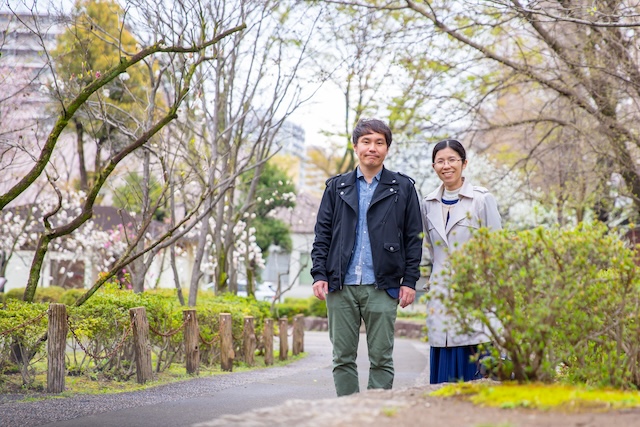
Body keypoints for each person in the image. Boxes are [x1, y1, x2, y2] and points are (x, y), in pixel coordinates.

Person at [310, 118, 423, 397]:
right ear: (355, 146)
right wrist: (319, 274)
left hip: (382, 285)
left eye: (379, 142)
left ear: (387, 148)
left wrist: (409, 281)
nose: (372, 148)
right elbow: (322, 234)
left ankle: (374, 415)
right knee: (342, 358)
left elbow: (413, 238)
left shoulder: (403, 188)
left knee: (382, 359)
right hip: (341, 285)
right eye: (366, 141)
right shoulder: (337, 187)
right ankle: (349, 415)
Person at [421, 139, 502, 384]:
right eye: (440, 161)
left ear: (464, 163)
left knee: (475, 374)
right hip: (441, 299)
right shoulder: (427, 203)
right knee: (442, 377)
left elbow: (497, 250)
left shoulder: (482, 199)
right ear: (434, 166)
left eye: (452, 159)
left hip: (474, 298)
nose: (446, 166)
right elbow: (434, 251)